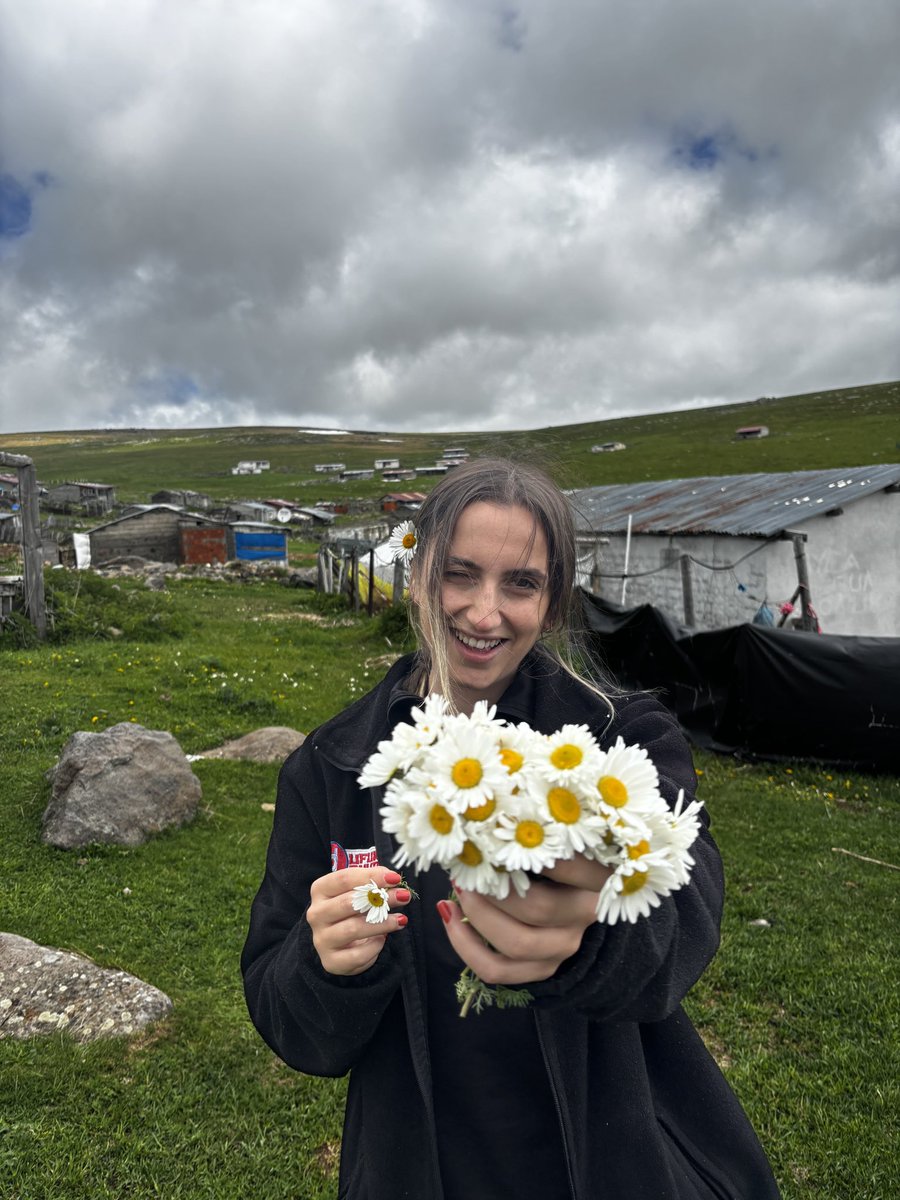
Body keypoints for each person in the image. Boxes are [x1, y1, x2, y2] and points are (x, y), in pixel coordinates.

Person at [241, 458, 781, 1200]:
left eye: (519, 584)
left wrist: (594, 936)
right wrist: (323, 963)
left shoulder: (620, 745)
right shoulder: (332, 770)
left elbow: (683, 924)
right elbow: (289, 1018)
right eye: (459, 574)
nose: (484, 613)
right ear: (418, 570)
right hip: (419, 1166)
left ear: (552, 601)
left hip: (611, 1158)